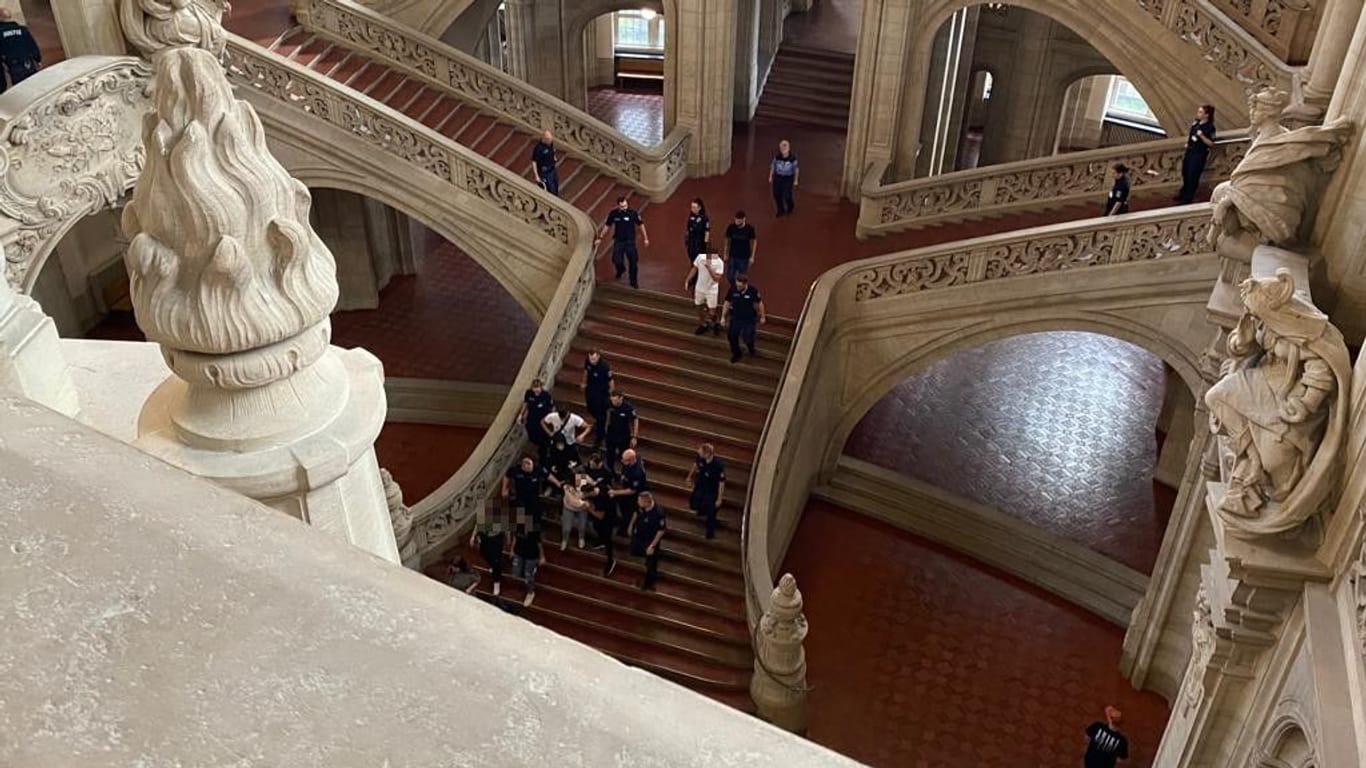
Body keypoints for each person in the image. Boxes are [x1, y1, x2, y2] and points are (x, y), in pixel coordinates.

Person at [595, 196, 650, 289]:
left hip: (630, 242)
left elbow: (641, 225)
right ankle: (620, 269)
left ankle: (633, 281)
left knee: (633, 262)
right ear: (618, 206)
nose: (624, 208)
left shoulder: (633, 213)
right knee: (616, 260)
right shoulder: (614, 214)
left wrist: (646, 238)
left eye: (625, 206)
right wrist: (600, 237)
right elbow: (607, 226)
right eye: (622, 206)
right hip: (619, 241)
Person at [584, 453, 618, 575]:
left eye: (586, 495)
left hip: (607, 515)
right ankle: (601, 540)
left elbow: (600, 515)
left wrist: (588, 508)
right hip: (596, 510)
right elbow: (579, 478)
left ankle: (611, 560)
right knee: (596, 526)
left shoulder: (603, 497)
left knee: (607, 535)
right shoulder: (595, 485)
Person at [721, 274, 767, 364]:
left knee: (747, 337)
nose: (737, 287)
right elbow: (727, 302)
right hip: (736, 317)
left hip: (748, 319)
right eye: (737, 285)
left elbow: (759, 304)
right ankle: (736, 353)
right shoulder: (732, 289)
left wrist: (762, 316)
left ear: (745, 284)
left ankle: (751, 348)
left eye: (740, 286)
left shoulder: (752, 291)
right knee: (732, 335)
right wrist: (723, 316)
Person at [1177, 104, 1216, 204]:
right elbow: (1191, 135)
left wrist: (1202, 136)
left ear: (1206, 115)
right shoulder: (1196, 123)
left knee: (1192, 175)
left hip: (1199, 154)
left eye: (1200, 112)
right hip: (1190, 151)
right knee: (1185, 172)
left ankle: (1188, 197)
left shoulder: (1210, 127)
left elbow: (1211, 143)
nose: (1198, 114)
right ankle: (1183, 193)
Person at [686, 443, 727, 540]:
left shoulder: (717, 466)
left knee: (711, 513)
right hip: (700, 486)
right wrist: (689, 477)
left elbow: (722, 483)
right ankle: (701, 511)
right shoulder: (700, 459)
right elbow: (695, 465)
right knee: (693, 503)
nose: (698, 453)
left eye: (701, 452)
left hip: (711, 491)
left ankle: (710, 534)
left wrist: (719, 499)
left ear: (708, 454)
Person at [629, 491, 667, 591]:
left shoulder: (658, 513)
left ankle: (648, 584)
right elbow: (636, 513)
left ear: (647, 502)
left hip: (650, 539)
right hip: (640, 536)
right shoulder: (641, 507)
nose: (637, 502)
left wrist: (652, 545)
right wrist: (631, 525)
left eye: (639, 501)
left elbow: (661, 530)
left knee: (651, 564)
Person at [501, 454, 554, 526]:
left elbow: (548, 476)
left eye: (528, 464)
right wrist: (504, 489)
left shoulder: (538, 469)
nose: (526, 466)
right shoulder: (515, 470)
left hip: (533, 497)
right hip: (520, 496)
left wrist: (559, 484)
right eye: (524, 464)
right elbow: (506, 476)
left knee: (534, 516)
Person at [469, 504, 508, 597]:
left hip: (495, 540)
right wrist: (473, 537)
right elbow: (477, 526)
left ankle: (496, 582)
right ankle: (492, 564)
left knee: (496, 563)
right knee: (484, 553)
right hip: (485, 540)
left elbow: (506, 531)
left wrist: (507, 540)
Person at [608, 448, 649, 537]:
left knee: (628, 512)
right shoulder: (634, 459)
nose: (622, 461)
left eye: (624, 460)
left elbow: (632, 490)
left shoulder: (637, 473)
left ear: (631, 460)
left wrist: (616, 492)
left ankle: (624, 530)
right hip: (625, 486)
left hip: (633, 496)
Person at [685, 249, 726, 335]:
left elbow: (716, 279)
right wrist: (688, 280)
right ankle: (703, 324)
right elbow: (694, 269)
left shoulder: (719, 263)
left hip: (712, 290)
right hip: (700, 288)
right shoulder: (700, 257)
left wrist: (709, 268)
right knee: (698, 307)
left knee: (712, 312)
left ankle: (715, 324)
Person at [0, 9, 40, 93]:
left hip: (14, 66)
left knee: (21, 90)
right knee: (36, 86)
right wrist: (38, 59)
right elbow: (32, 45)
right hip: (28, 63)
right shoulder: (22, 29)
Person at [510, 514, 545, 608]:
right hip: (519, 551)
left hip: (531, 555)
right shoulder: (517, 526)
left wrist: (542, 556)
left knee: (528, 576)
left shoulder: (534, 530)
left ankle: (530, 592)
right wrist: (512, 549)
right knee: (515, 574)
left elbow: (539, 543)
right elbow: (515, 537)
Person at [518, 378, 555, 462]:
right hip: (532, 419)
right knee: (532, 434)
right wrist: (521, 415)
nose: (535, 390)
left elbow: (551, 407)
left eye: (537, 387)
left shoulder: (545, 395)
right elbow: (526, 404)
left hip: (542, 419)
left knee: (544, 437)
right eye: (534, 387)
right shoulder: (529, 393)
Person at [582, 349, 614, 447]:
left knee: (601, 416)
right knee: (590, 408)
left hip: (602, 393)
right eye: (591, 359)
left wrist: (610, 395)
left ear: (598, 356)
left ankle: (600, 437)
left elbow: (611, 381)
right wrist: (584, 382)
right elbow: (586, 371)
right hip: (591, 390)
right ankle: (599, 422)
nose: (592, 361)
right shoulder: (588, 361)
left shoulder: (604, 367)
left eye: (594, 359)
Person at [603, 391, 639, 469]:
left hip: (623, 435)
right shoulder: (609, 405)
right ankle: (611, 471)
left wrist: (634, 437)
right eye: (612, 400)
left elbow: (635, 419)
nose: (613, 402)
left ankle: (624, 472)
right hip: (611, 434)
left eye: (615, 400)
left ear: (621, 398)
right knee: (610, 455)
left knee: (624, 455)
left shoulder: (628, 408)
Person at [559, 473, 594, 551]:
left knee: (582, 526)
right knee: (566, 528)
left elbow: (594, 485)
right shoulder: (567, 487)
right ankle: (565, 540)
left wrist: (589, 493)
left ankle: (581, 538)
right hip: (569, 507)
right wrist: (585, 504)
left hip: (582, 509)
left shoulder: (583, 478)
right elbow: (573, 502)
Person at [724, 211, 757, 284]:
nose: (736, 221)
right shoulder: (731, 227)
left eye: (738, 220)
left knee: (742, 276)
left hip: (744, 257)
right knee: (729, 276)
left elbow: (754, 241)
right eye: (736, 219)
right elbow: (727, 240)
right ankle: (734, 286)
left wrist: (752, 256)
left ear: (743, 219)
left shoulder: (749, 229)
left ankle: (739, 287)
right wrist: (725, 253)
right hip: (732, 255)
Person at [684, 198, 711, 285]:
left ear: (699, 208)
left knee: (699, 261)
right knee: (692, 260)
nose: (692, 209)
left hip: (699, 243)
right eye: (692, 207)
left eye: (694, 207)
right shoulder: (691, 216)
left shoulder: (704, 218)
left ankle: (699, 278)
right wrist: (687, 239)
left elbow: (707, 231)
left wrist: (706, 243)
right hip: (692, 242)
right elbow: (688, 228)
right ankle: (693, 277)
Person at [769, 140, 799, 216]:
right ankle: (780, 209)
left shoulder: (792, 159)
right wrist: (770, 176)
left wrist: (795, 180)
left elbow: (796, 170)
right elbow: (773, 166)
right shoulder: (777, 157)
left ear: (788, 148)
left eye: (785, 148)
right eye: (782, 148)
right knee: (776, 193)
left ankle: (790, 205)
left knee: (786, 195)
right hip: (778, 177)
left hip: (788, 178)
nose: (783, 150)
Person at [531, 129, 559, 196]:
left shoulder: (550, 144)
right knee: (549, 189)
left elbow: (552, 151)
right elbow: (534, 162)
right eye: (548, 139)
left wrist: (554, 158)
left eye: (551, 139)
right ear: (544, 139)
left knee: (555, 186)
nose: (550, 140)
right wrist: (536, 176)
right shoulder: (539, 148)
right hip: (544, 172)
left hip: (552, 169)